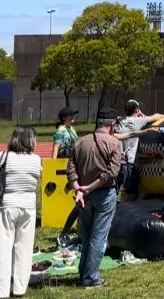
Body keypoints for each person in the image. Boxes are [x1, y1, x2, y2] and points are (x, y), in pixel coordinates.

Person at [66, 109, 123, 289]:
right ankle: (91, 278)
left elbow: (71, 169)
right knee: (99, 237)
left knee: (86, 236)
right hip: (103, 194)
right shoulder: (114, 143)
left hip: (82, 196)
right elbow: (112, 173)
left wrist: (78, 188)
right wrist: (90, 187)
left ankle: (84, 273)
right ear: (112, 125)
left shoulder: (80, 142)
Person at [0, 126, 41, 299]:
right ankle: (19, 287)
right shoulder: (36, 159)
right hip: (28, 206)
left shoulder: (2, 157)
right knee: (23, 248)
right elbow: (37, 176)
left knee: (1, 248)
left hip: (7, 205)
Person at [113, 99, 164, 202]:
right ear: (137, 110)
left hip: (117, 161)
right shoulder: (138, 121)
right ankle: (128, 213)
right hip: (129, 163)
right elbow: (158, 116)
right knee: (132, 192)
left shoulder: (120, 120)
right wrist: (142, 114)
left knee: (117, 190)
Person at [51, 107, 81, 247]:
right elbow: (56, 148)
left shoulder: (72, 130)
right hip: (64, 161)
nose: (73, 117)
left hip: (73, 161)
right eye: (71, 116)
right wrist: (53, 164)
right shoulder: (60, 131)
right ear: (64, 118)